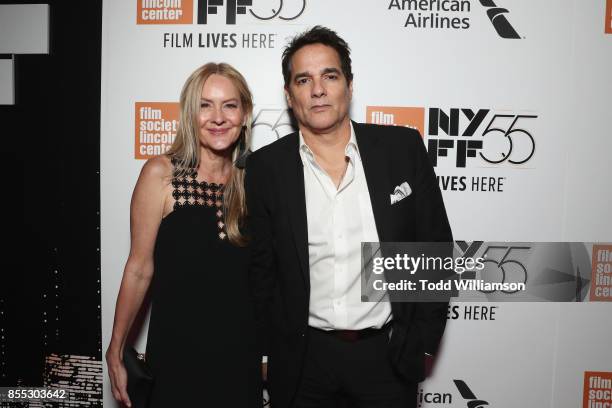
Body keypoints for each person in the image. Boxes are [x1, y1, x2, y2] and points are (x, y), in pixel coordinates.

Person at [245, 26, 452, 408]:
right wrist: (264, 354)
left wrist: (421, 343)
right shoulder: (265, 169)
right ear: (290, 96)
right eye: (304, 80)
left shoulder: (401, 150)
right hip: (304, 361)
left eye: (330, 76)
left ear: (349, 86)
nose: (318, 89)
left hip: (386, 358)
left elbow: (434, 249)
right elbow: (261, 272)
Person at [106, 62, 261, 407]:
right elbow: (139, 268)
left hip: (240, 359)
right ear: (190, 114)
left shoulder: (256, 181)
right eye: (205, 105)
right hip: (176, 357)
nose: (217, 117)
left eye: (230, 105)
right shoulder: (162, 175)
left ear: (245, 113)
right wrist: (115, 349)